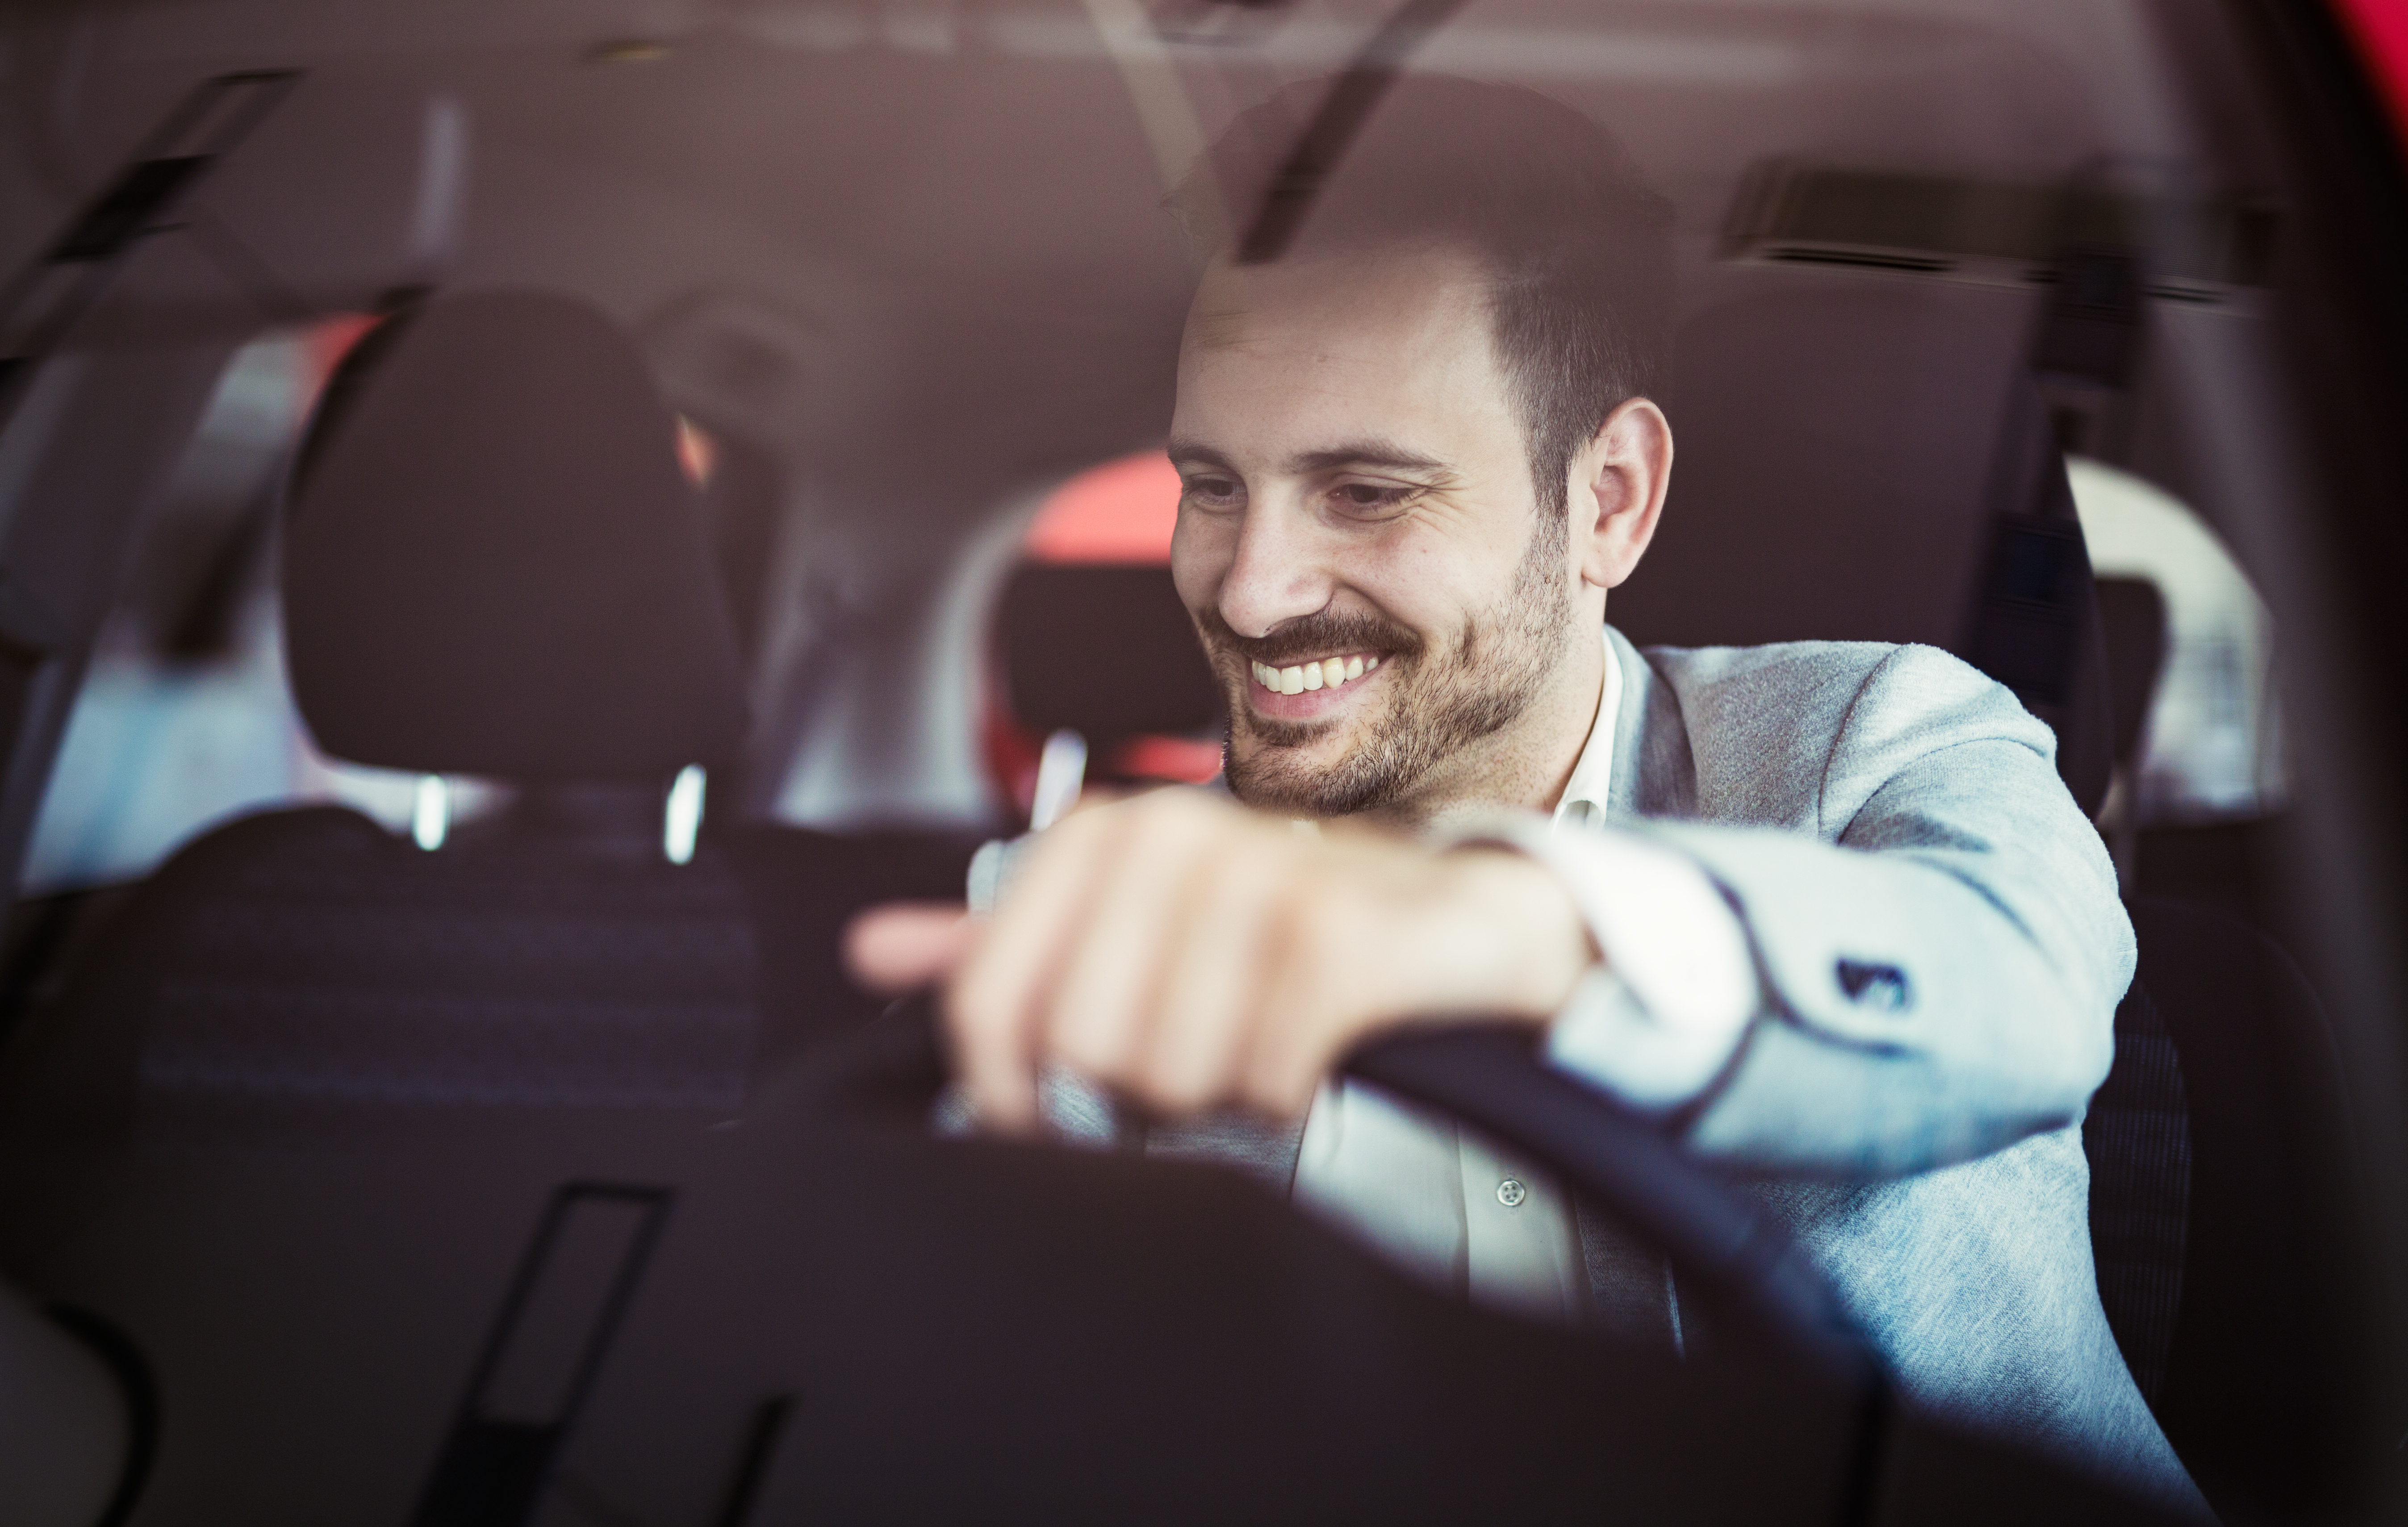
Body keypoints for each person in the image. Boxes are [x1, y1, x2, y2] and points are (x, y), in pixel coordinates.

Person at [849, 76, 2203, 1515]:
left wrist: (1505, 926)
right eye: (1214, 484)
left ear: (1609, 498)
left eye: (1367, 491)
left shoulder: (1871, 743)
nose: (1250, 593)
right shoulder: (1090, 912)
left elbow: (2023, 989)